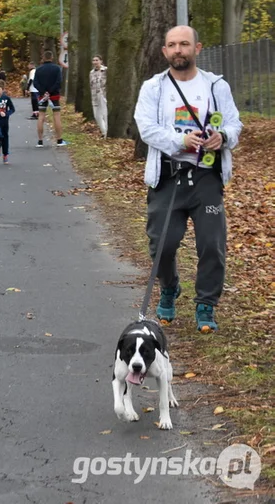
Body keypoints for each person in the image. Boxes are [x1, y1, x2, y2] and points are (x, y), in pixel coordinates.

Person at [134, 25, 242, 333]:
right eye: (172, 45)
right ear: (164, 51)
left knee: (212, 244)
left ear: (197, 48)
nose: (178, 50)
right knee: (162, 247)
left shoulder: (215, 86)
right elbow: (146, 128)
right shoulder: (154, 88)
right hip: (168, 177)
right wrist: (180, 142)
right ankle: (169, 287)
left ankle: (206, 303)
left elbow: (235, 123)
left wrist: (223, 137)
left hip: (206, 177)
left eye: (184, 44)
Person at [33, 50, 66, 147]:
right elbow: (59, 81)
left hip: (42, 96)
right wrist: (50, 91)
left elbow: (35, 83)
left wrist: (44, 92)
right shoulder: (57, 69)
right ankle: (59, 140)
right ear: (52, 58)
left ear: (43, 58)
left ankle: (40, 141)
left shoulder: (38, 69)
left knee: (41, 116)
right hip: (54, 95)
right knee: (56, 116)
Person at [90, 55, 108, 137]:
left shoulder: (105, 70)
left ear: (101, 61)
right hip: (94, 95)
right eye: (93, 60)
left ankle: (106, 133)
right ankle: (104, 131)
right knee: (96, 115)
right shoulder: (91, 72)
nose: (95, 62)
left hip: (103, 94)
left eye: (97, 60)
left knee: (105, 114)